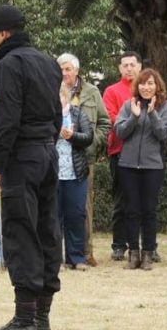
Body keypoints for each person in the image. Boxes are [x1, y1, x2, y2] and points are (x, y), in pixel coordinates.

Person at [0, 5, 62, 330]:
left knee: (20, 230)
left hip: (21, 157)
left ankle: (24, 318)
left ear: (2, 33)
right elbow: (57, 114)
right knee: (46, 229)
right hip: (47, 152)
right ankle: (41, 316)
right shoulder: (47, 61)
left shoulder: (9, 64)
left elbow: (6, 120)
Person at [115, 68, 167, 271]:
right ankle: (133, 253)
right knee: (130, 210)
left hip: (153, 166)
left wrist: (153, 115)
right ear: (137, 86)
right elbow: (120, 132)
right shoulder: (128, 105)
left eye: (150, 83)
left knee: (149, 210)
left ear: (157, 86)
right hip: (128, 165)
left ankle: (148, 253)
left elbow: (164, 134)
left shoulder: (166, 107)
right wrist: (134, 116)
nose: (146, 87)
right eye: (142, 83)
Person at [57, 53, 110, 267]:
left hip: (82, 160)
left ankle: (83, 254)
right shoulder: (49, 94)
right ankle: (56, 256)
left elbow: (104, 123)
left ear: (77, 70)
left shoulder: (91, 91)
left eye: (68, 69)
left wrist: (91, 144)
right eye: (61, 69)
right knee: (55, 213)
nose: (64, 73)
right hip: (56, 167)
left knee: (81, 210)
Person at [103, 51, 144, 261]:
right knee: (121, 199)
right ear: (119, 68)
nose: (129, 68)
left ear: (140, 66)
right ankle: (119, 244)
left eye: (132, 64)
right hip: (119, 151)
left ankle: (146, 246)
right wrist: (134, 124)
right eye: (125, 65)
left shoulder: (148, 88)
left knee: (144, 200)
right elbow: (111, 118)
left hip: (145, 154)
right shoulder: (111, 91)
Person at [56, 83, 94, 271]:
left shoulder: (78, 114)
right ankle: (55, 259)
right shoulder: (46, 116)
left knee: (76, 216)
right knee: (53, 218)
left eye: (60, 95)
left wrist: (72, 136)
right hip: (52, 174)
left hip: (75, 173)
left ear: (67, 96)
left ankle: (76, 257)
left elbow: (88, 137)